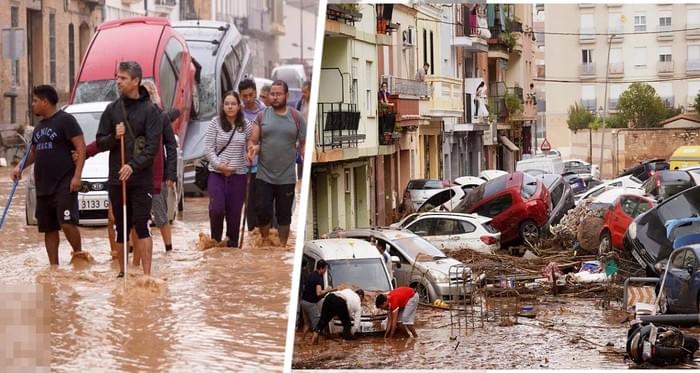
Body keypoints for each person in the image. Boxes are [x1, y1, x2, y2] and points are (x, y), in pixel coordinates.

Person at [96, 61, 162, 278]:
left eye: (123, 78)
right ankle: (122, 274)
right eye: (117, 77)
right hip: (117, 178)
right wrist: (114, 137)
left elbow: (152, 147)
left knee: (141, 224)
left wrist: (133, 166)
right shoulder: (112, 109)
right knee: (121, 226)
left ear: (136, 81)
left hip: (141, 178)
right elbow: (100, 142)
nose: (118, 81)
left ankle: (147, 276)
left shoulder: (150, 111)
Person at [12, 85, 86, 265]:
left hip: (64, 182)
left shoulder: (66, 120)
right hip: (43, 185)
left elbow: (81, 147)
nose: (33, 104)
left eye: (35, 101)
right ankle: (54, 267)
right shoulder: (38, 128)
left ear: (45, 102)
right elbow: (34, 153)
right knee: (48, 228)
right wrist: (20, 167)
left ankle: (79, 255)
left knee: (67, 223)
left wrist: (77, 176)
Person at [247, 80, 306, 247]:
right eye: (272, 94)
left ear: (286, 95)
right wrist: (252, 150)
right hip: (264, 174)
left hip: (287, 177)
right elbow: (253, 141)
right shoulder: (261, 116)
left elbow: (303, 145)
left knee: (284, 217)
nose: (275, 97)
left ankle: (282, 247)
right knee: (262, 212)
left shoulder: (296, 117)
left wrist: (305, 160)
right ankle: (265, 241)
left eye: (278, 94)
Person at [204, 91, 251, 247]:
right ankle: (215, 243)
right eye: (227, 104)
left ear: (239, 106)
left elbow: (251, 144)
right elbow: (208, 149)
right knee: (216, 209)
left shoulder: (246, 125)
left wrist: (251, 152)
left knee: (234, 215)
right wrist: (220, 165)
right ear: (222, 106)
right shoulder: (214, 123)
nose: (230, 107)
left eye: (233, 104)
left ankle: (232, 248)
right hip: (217, 174)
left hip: (238, 176)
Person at [238, 79, 266, 232]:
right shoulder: (237, 114)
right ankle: (252, 235)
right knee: (249, 206)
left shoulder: (265, 112)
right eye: (244, 96)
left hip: (262, 166)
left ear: (255, 92)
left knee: (261, 205)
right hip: (244, 168)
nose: (248, 99)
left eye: (251, 95)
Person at [300, 260, 334, 335]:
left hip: (303, 302)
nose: (325, 271)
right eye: (325, 269)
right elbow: (318, 293)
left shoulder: (311, 274)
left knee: (307, 324)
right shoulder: (318, 278)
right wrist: (327, 290)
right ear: (321, 268)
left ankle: (302, 340)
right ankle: (314, 345)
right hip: (311, 304)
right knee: (317, 327)